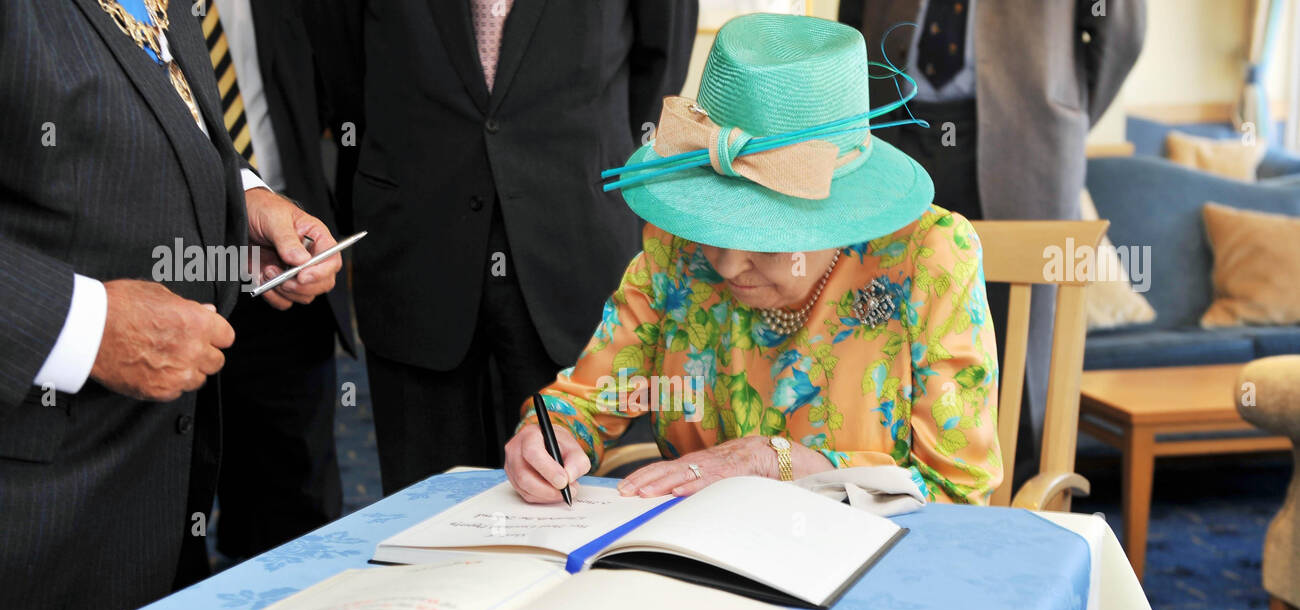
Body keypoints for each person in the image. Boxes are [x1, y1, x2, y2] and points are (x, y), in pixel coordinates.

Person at [504, 13, 1001, 505]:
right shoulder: (677, 246)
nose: (724, 264)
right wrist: (549, 439)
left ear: (842, 210)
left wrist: (785, 462)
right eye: (712, 226)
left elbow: (956, 491)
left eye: (764, 239)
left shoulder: (929, 257)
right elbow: (587, 401)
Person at [0, 0, 341, 610]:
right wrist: (88, 328)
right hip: (31, 520)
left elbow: (150, 107)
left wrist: (243, 203)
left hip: (157, 499)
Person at [312, 0, 698, 495]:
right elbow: (344, 73)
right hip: (417, 247)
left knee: (573, 508)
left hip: (575, 244)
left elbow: (658, 62)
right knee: (427, 518)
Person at [838, 0, 1146, 462]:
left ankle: (1016, 506)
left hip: (1024, 141)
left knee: (1017, 344)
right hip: (895, 131)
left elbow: (1119, 29)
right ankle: (887, 488)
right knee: (883, 325)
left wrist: (1064, 108)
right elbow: (855, 19)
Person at [202, 0, 357, 561]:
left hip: (283, 261)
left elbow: (346, 87)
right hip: (158, 280)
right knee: (163, 525)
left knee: (296, 514)